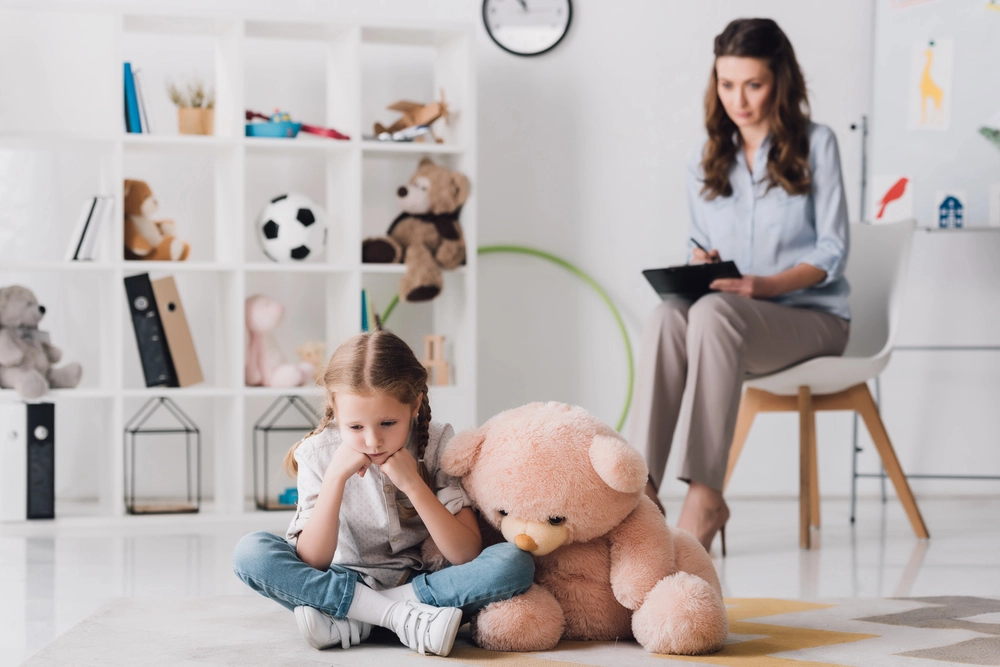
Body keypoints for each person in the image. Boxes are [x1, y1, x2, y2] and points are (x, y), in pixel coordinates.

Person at [631, 18, 852, 555]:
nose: (739, 99)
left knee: (714, 314)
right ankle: (640, 493)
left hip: (812, 317)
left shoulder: (816, 144)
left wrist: (766, 285)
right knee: (667, 315)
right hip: (729, 318)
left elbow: (833, 250)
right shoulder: (705, 157)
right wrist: (701, 263)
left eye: (753, 84)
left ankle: (706, 495)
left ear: (780, 80)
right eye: (727, 84)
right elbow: (700, 242)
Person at [232, 328, 533, 656]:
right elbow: (313, 561)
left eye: (388, 423)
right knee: (251, 553)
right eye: (356, 427)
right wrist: (334, 479)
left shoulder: (438, 442)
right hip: (341, 578)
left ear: (414, 404)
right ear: (335, 407)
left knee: (514, 562)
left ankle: (357, 617)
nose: (373, 441)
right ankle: (400, 617)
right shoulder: (317, 453)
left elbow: (465, 554)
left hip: (422, 582)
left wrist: (413, 484)